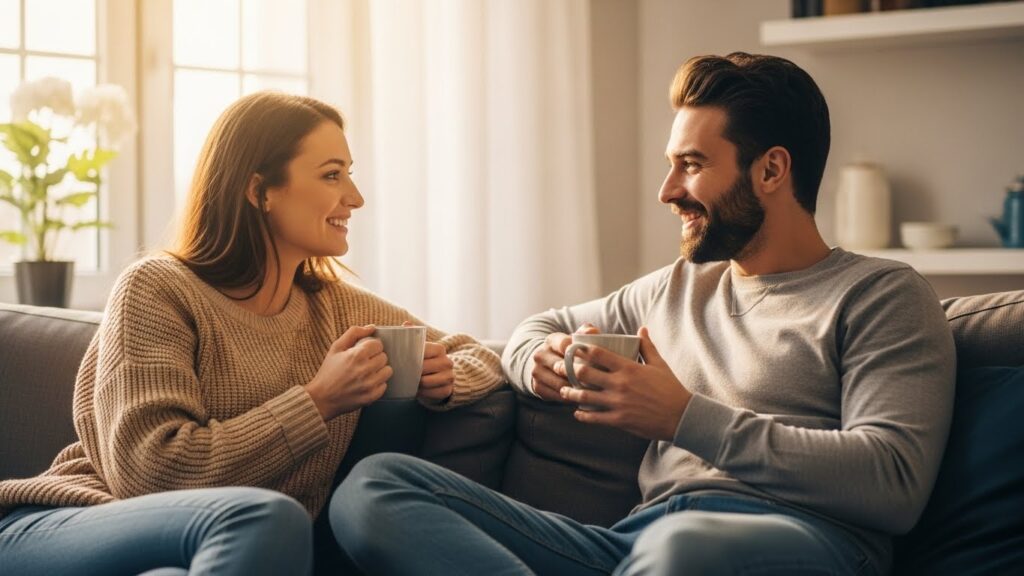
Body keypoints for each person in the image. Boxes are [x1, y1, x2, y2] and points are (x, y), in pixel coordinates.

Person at [330, 53, 956, 575]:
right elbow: (535, 328)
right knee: (376, 487)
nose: (667, 191)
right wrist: (535, 362)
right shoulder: (676, 288)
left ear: (771, 169)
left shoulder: (881, 295)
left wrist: (683, 417)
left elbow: (892, 482)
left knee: (684, 551)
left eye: (691, 165)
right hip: (632, 545)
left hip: (799, 542)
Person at [0, 91, 505, 575]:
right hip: (69, 521)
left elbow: (477, 354)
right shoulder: (157, 288)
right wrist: (319, 400)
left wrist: (446, 377)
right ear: (259, 189)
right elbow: (150, 475)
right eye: (332, 175)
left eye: (350, 175)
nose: (355, 197)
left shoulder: (336, 308)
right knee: (266, 516)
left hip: (235, 543)